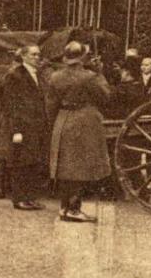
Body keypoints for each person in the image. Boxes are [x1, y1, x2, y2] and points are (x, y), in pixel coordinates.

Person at [47, 42, 114, 223]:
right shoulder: (90, 77)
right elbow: (106, 96)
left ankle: (64, 207)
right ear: (83, 57)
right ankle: (74, 209)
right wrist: (99, 72)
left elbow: (51, 105)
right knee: (79, 166)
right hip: (84, 121)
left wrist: (54, 124)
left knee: (65, 165)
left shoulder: (55, 77)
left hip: (63, 118)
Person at [0, 45, 49, 211]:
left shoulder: (37, 75)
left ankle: (30, 198)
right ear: (24, 57)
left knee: (33, 162)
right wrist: (16, 130)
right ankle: (19, 199)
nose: (37, 57)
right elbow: (11, 104)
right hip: (23, 126)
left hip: (36, 126)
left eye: (39, 54)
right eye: (33, 55)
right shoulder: (15, 75)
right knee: (21, 163)